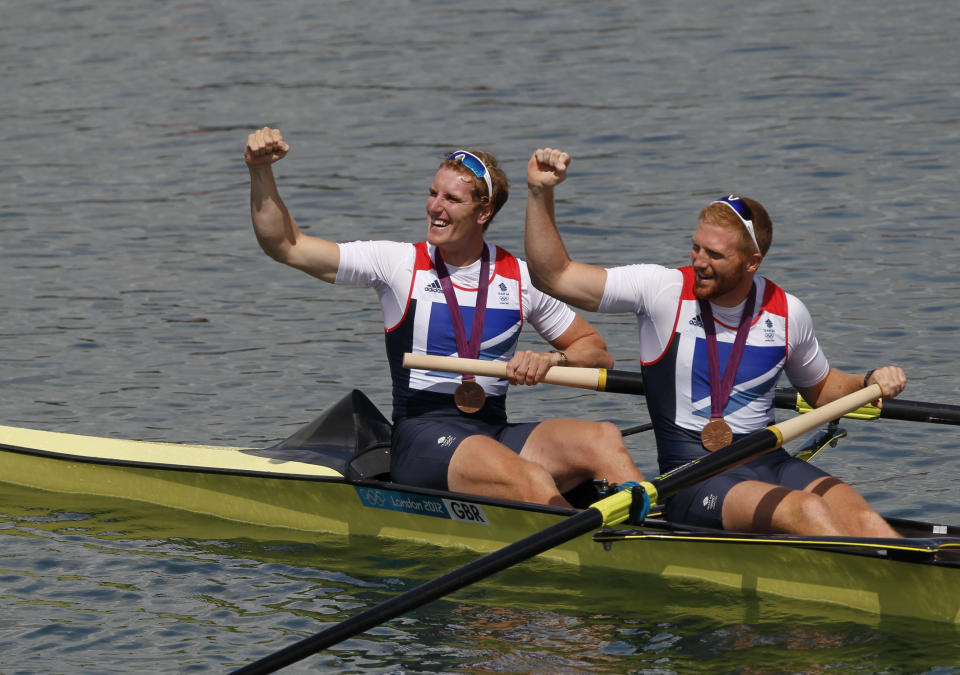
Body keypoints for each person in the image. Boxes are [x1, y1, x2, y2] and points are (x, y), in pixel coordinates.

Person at [244, 128, 646, 508]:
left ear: (483, 211)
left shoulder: (520, 277)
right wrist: (260, 170)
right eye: (433, 193)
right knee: (531, 478)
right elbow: (287, 246)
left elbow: (595, 351)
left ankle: (659, 526)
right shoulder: (398, 264)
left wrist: (551, 359)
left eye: (451, 199)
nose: (435, 207)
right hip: (423, 439)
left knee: (603, 438)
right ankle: (601, 546)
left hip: (493, 429)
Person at [522, 146, 907, 536]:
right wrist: (540, 192)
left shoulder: (788, 311)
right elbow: (555, 276)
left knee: (865, 519)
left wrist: (869, 381)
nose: (699, 262)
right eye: (696, 247)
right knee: (807, 509)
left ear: (752, 262)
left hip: (768, 462)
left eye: (715, 255)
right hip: (693, 478)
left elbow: (822, 388)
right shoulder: (663, 292)